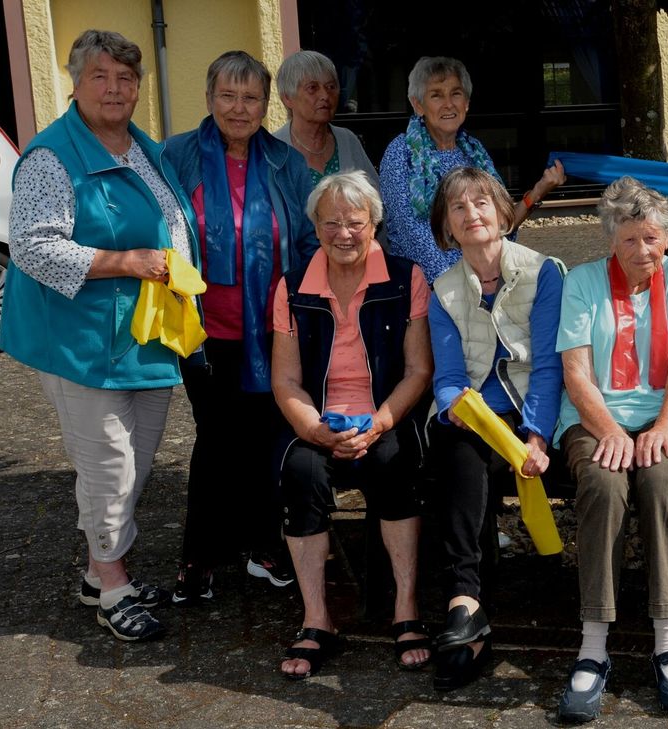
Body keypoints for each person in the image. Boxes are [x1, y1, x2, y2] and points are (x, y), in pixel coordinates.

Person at [1, 30, 199, 641]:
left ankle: (97, 572)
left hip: (144, 336)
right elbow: (31, 247)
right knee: (109, 466)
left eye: (126, 78)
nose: (115, 89)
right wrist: (126, 262)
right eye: (100, 77)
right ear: (76, 83)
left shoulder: (143, 146)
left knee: (135, 462)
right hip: (81, 342)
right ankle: (113, 588)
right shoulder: (52, 156)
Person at [163, 50, 320, 605]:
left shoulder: (286, 162)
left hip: (271, 331)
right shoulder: (176, 155)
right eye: (227, 95)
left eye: (250, 97)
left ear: (266, 104)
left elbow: (308, 241)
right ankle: (200, 556)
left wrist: (299, 305)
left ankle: (262, 545)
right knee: (215, 440)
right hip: (202, 331)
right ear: (209, 98)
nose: (238, 107)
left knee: (263, 439)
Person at [555, 177, 668, 722]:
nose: (643, 250)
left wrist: (666, 424)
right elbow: (576, 373)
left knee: (663, 479)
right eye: (629, 240)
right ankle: (593, 647)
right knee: (602, 483)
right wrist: (610, 432)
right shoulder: (582, 281)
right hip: (595, 416)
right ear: (610, 240)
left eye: (652, 238)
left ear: (667, 238)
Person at [271, 171, 433, 679]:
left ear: (374, 225)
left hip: (385, 417)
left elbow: (418, 371)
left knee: (396, 462)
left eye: (355, 223)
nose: (343, 234)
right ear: (315, 226)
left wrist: (380, 423)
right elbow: (285, 380)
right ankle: (317, 619)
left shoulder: (406, 278)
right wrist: (315, 429)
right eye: (331, 223)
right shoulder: (293, 286)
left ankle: (405, 608)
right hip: (319, 420)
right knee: (301, 473)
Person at [426, 166, 564, 691]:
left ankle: (470, 615)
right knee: (457, 448)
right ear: (447, 226)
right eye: (458, 207)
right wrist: (451, 407)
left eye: (481, 202)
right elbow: (448, 377)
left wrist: (536, 435)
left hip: (531, 408)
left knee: (470, 458)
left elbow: (548, 364)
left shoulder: (544, 272)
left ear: (504, 212)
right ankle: (466, 601)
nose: (471, 214)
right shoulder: (442, 290)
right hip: (476, 411)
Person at [378, 56, 565, 284]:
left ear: (466, 102)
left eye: (455, 93)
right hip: (430, 286)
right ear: (418, 105)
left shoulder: (474, 151)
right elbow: (412, 235)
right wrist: (460, 285)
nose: (448, 104)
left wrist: (539, 191)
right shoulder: (401, 153)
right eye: (436, 95)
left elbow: (500, 225)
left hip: (483, 277)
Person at [273, 50, 379, 189]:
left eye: (330, 87)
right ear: (287, 98)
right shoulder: (273, 150)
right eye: (312, 88)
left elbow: (374, 196)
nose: (325, 95)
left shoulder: (347, 140)